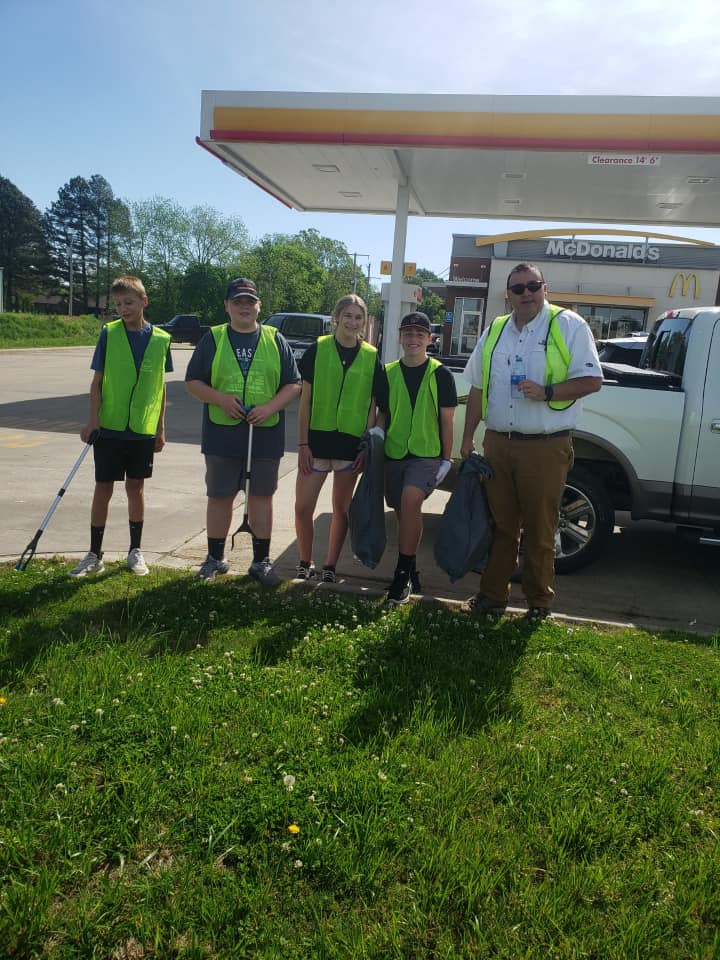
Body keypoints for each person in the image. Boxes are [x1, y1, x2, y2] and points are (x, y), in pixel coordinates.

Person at [460, 262, 603, 620]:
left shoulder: (568, 325)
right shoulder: (495, 330)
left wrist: (548, 392)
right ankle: (492, 597)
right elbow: (477, 387)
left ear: (544, 288)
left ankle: (540, 604)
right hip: (498, 443)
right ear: (507, 294)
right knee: (502, 527)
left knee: (541, 530)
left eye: (532, 286)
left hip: (545, 446)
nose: (526, 294)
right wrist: (467, 438)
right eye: (518, 288)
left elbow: (592, 380)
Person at [185, 278, 301, 584]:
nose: (244, 307)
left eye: (250, 301)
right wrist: (220, 399)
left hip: (265, 434)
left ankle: (261, 562)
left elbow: (293, 383)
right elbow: (193, 381)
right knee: (220, 496)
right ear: (227, 306)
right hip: (222, 434)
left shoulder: (275, 339)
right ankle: (215, 558)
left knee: (262, 497)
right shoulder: (213, 338)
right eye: (238, 302)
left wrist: (271, 407)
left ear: (259, 306)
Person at [69, 275, 173, 578]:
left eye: (128, 302)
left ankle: (135, 551)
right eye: (117, 304)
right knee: (103, 488)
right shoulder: (109, 334)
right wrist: (93, 420)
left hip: (142, 429)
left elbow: (161, 387)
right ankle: (94, 553)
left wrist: (161, 428)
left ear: (144, 301)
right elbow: (97, 382)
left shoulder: (161, 340)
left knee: (136, 488)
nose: (122, 309)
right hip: (110, 428)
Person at [294, 294, 383, 582]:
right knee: (302, 507)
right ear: (337, 317)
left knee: (340, 510)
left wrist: (366, 446)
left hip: (349, 447)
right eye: (347, 315)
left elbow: (375, 406)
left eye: (358, 317)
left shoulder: (371, 356)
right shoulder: (317, 350)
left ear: (364, 322)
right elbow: (304, 402)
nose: (352, 322)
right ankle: (304, 561)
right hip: (316, 444)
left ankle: (330, 566)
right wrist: (303, 444)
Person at [376, 311, 457, 606]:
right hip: (394, 453)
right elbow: (383, 413)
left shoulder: (441, 374)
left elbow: (447, 420)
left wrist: (447, 459)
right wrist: (375, 439)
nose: (413, 339)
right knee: (402, 513)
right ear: (399, 337)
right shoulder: (388, 373)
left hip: (426, 454)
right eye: (408, 333)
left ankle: (401, 575)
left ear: (429, 340)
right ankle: (412, 569)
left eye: (419, 334)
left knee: (411, 501)